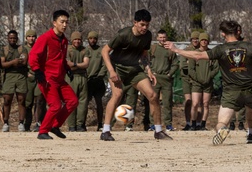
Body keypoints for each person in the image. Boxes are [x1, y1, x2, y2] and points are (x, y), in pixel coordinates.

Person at [165, 19, 252, 145]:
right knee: (251, 109)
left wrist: (177, 50)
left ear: (223, 34)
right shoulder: (249, 46)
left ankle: (222, 130)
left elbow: (198, 56)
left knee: (221, 122)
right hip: (250, 88)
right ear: (237, 32)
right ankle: (251, 134)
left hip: (231, 91)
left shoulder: (220, 49)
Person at [99, 9, 172, 142]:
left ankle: (158, 131)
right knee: (117, 95)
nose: (145, 28)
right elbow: (105, 51)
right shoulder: (123, 34)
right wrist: (111, 71)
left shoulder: (147, 36)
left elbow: (144, 55)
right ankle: (105, 131)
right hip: (117, 68)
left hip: (134, 69)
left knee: (153, 95)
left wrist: (149, 70)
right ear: (135, 22)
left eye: (147, 25)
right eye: (142, 25)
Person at [28, 9, 78, 140]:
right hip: (47, 78)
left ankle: (55, 126)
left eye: (67, 22)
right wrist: (37, 71)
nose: (65, 25)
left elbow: (60, 58)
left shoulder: (64, 40)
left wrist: (67, 68)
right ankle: (42, 131)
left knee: (73, 101)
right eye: (62, 22)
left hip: (60, 78)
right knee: (55, 106)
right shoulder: (45, 38)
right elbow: (33, 56)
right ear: (54, 23)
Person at [188, 31, 218, 130]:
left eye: (206, 40)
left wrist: (209, 76)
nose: (204, 42)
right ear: (200, 41)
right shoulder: (195, 53)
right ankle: (193, 124)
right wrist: (197, 78)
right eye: (202, 40)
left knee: (205, 104)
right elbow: (191, 69)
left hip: (208, 83)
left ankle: (203, 124)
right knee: (195, 103)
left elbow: (216, 68)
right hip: (197, 83)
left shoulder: (211, 54)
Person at [0, 30, 29, 132]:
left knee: (21, 100)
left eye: (14, 38)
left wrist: (10, 63)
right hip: (9, 76)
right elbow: (2, 64)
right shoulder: (4, 49)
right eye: (10, 38)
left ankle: (21, 123)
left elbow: (24, 61)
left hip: (21, 76)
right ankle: (6, 122)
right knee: (7, 100)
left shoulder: (22, 49)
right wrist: (14, 62)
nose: (12, 40)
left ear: (17, 39)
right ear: (8, 38)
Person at [64, 31, 90, 132]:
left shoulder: (85, 50)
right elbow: (67, 64)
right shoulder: (68, 50)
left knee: (83, 102)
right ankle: (71, 125)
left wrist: (74, 64)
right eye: (75, 39)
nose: (77, 41)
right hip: (71, 78)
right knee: (71, 101)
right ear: (72, 40)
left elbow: (86, 64)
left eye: (79, 39)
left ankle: (80, 124)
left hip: (83, 77)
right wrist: (79, 65)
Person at [85, 31, 108, 130]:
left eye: (94, 38)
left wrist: (100, 76)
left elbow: (105, 64)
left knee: (99, 103)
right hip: (87, 80)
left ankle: (100, 124)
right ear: (88, 39)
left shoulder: (101, 50)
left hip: (98, 80)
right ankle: (82, 124)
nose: (92, 40)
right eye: (90, 38)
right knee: (84, 103)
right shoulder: (85, 51)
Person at [22, 30, 44, 132]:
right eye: (29, 36)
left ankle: (38, 123)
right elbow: (21, 63)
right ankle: (27, 124)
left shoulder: (40, 48)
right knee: (28, 103)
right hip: (28, 78)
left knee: (39, 101)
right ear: (26, 38)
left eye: (33, 36)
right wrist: (26, 73)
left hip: (39, 77)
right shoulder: (23, 49)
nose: (31, 38)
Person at [180, 30, 201, 130]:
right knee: (188, 101)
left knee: (198, 102)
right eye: (193, 39)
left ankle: (198, 123)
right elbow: (183, 65)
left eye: (197, 39)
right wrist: (192, 64)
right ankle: (188, 123)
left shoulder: (202, 50)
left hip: (198, 79)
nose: (195, 41)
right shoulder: (186, 50)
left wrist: (190, 62)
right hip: (186, 78)